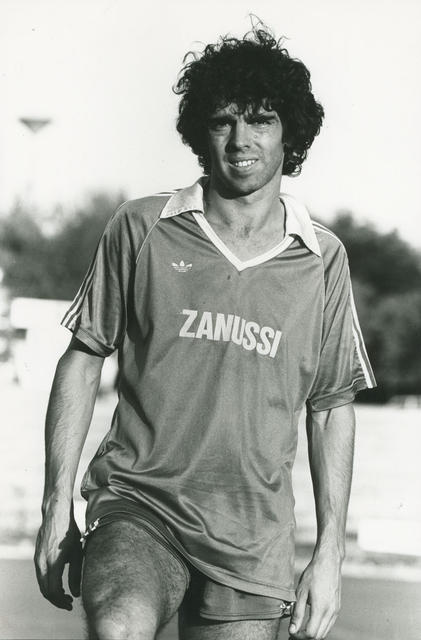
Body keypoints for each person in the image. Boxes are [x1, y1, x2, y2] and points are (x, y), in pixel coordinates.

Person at [34, 23, 376, 640]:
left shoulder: (322, 259)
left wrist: (330, 555)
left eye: (261, 120)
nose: (241, 140)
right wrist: (57, 503)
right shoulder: (142, 227)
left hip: (252, 542)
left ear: (290, 133)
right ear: (200, 132)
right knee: (119, 627)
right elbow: (83, 358)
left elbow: (330, 408)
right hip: (140, 507)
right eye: (223, 122)